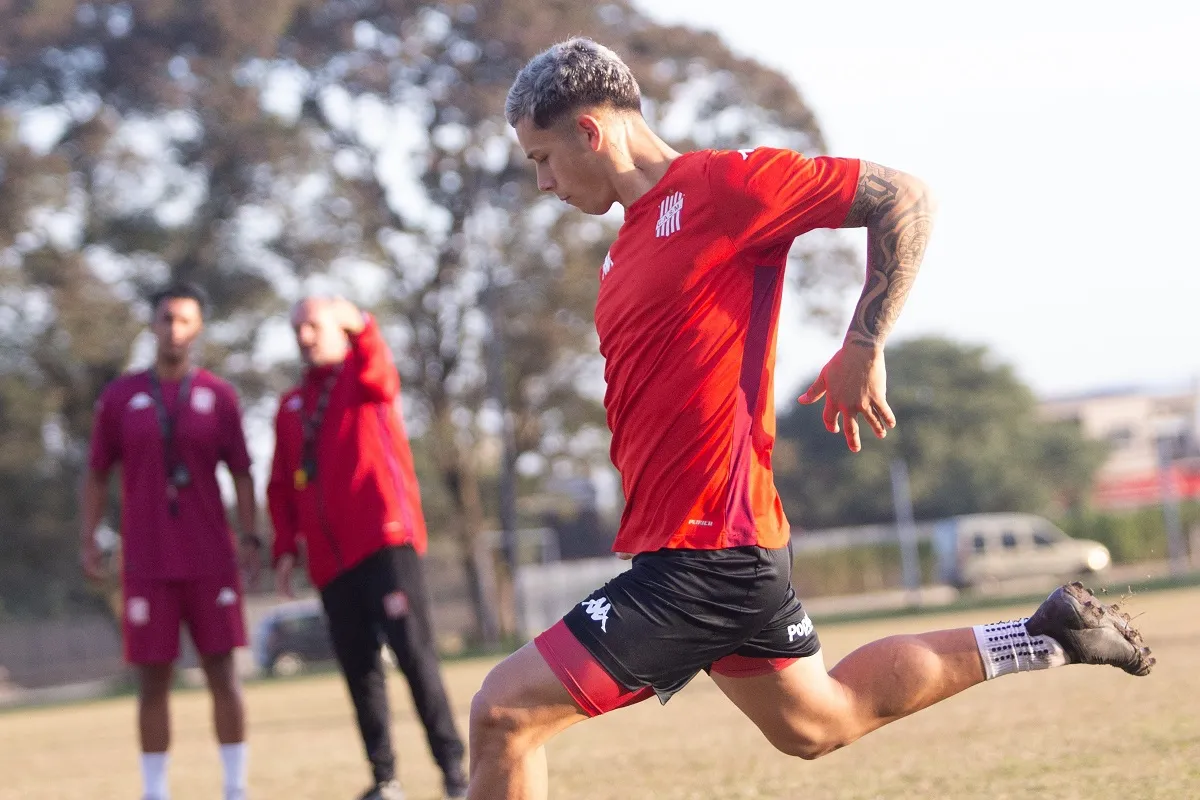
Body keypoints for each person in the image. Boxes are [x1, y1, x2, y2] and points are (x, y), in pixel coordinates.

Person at [465, 38, 1156, 799]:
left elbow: (904, 195)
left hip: (708, 554)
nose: (541, 182)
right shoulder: (625, 242)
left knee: (504, 714)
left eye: (542, 158)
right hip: (713, 548)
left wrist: (865, 343)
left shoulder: (724, 186)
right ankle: (1043, 636)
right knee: (818, 721)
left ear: (590, 133)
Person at [267, 296, 468, 800]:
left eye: (313, 326)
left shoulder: (363, 374)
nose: (304, 337)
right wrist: (285, 546)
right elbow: (280, 485)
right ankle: (385, 780)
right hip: (330, 562)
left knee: (415, 658)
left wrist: (361, 323)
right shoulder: (290, 407)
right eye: (297, 329)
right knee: (359, 670)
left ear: (339, 329)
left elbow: (381, 369)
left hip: (384, 542)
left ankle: (454, 772)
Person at [81, 281, 260, 800]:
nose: (174, 329)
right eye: (166, 319)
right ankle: (155, 792)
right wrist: (89, 539)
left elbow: (244, 472)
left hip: (210, 559)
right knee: (152, 680)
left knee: (223, 673)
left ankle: (234, 787)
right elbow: (95, 474)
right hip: (146, 560)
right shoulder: (119, 397)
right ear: (152, 325)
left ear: (198, 327)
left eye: (185, 320)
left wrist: (249, 535)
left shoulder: (220, 396)